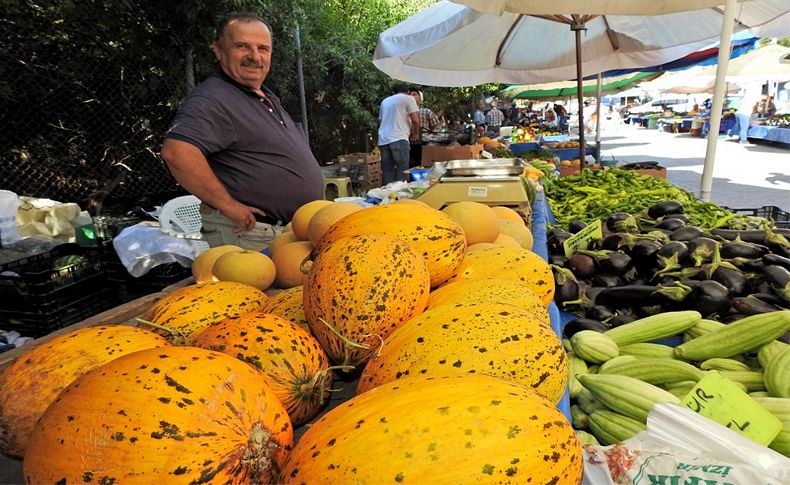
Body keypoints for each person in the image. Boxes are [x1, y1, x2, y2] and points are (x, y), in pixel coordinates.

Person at [160, 12, 323, 250]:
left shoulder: (265, 96)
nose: (254, 56)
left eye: (263, 48)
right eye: (242, 46)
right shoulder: (213, 98)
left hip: (285, 233)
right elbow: (177, 152)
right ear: (218, 49)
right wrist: (229, 206)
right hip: (250, 235)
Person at [378, 83, 419, 184]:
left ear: (393, 92)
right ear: (408, 92)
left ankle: (388, 195)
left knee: (387, 171)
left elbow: (380, 120)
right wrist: (415, 134)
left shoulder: (385, 101)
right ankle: (402, 196)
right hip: (399, 137)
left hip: (383, 139)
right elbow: (415, 120)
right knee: (402, 170)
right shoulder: (408, 99)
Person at [407, 87, 440, 168]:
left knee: (425, 165)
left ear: (420, 100)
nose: (411, 96)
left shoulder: (426, 112)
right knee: (410, 166)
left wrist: (430, 136)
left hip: (425, 145)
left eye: (414, 94)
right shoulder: (404, 113)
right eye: (409, 94)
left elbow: (437, 126)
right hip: (409, 145)